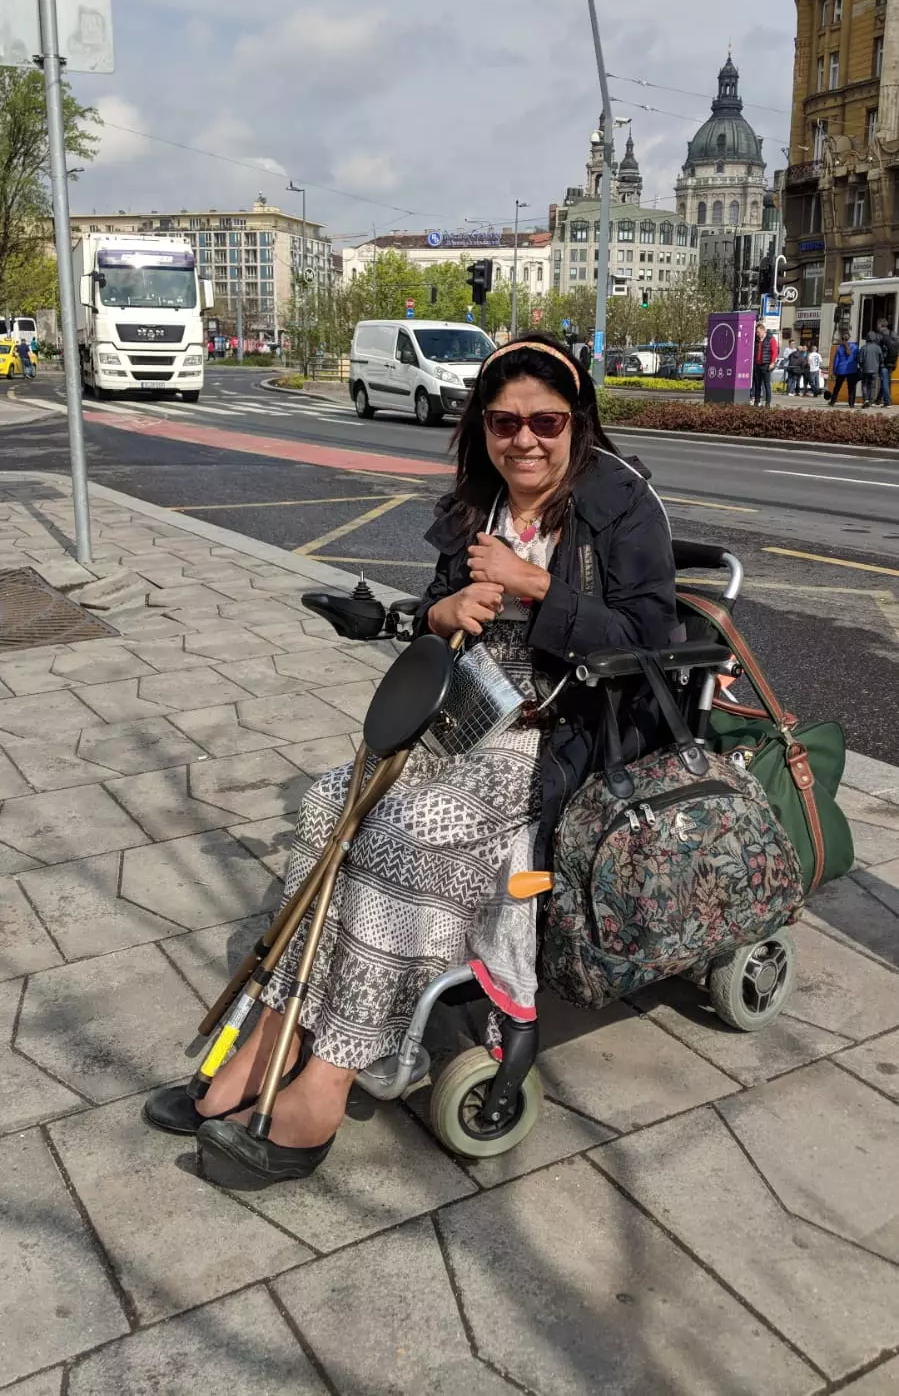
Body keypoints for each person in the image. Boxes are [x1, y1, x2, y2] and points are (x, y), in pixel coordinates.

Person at [144, 336, 678, 1182]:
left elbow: (652, 642)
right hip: (457, 713)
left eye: (545, 421)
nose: (524, 441)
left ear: (575, 422)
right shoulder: (478, 502)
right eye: (504, 423)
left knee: (404, 832)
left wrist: (538, 589)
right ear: (483, 427)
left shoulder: (620, 503)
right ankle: (266, 1044)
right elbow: (435, 606)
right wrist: (445, 609)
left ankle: (326, 1081)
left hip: (556, 728)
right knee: (330, 807)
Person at [828, 329, 860, 408]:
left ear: (842, 338)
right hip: (852, 369)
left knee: (837, 387)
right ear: (849, 337)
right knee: (851, 388)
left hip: (841, 370)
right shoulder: (856, 347)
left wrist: (834, 371)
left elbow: (836, 361)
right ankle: (851, 404)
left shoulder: (839, 348)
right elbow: (858, 358)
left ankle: (832, 402)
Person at [752, 321, 778, 407]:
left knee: (767, 384)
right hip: (757, 364)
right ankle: (757, 401)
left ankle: (768, 402)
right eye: (756, 332)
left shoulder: (771, 339)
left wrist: (772, 362)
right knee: (757, 384)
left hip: (766, 364)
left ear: (763, 331)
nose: (757, 334)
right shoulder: (756, 340)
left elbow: (774, 352)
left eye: (758, 332)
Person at [858, 329, 884, 408]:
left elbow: (860, 360)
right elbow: (881, 359)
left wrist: (862, 366)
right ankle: (871, 401)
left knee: (864, 384)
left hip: (865, 369)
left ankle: (865, 399)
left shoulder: (863, 348)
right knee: (872, 386)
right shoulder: (878, 348)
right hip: (875, 370)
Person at [878, 326, 897, 407]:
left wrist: (881, 362)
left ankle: (887, 401)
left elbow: (882, 353)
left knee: (885, 382)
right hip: (892, 363)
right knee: (886, 381)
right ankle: (878, 399)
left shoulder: (883, 340)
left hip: (885, 364)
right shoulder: (894, 339)